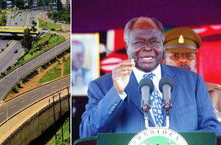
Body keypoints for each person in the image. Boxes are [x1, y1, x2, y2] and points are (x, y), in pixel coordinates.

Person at [79, 17, 221, 138]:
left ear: (162, 46)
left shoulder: (192, 81)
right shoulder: (102, 86)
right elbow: (87, 134)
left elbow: (213, 129)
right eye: (139, 42)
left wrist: (179, 144)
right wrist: (117, 93)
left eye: (154, 41)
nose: (147, 47)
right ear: (127, 46)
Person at [163, 27, 221, 120]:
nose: (183, 60)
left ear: (196, 62)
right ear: (164, 62)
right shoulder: (153, 93)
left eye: (189, 56)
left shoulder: (217, 94)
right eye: (175, 56)